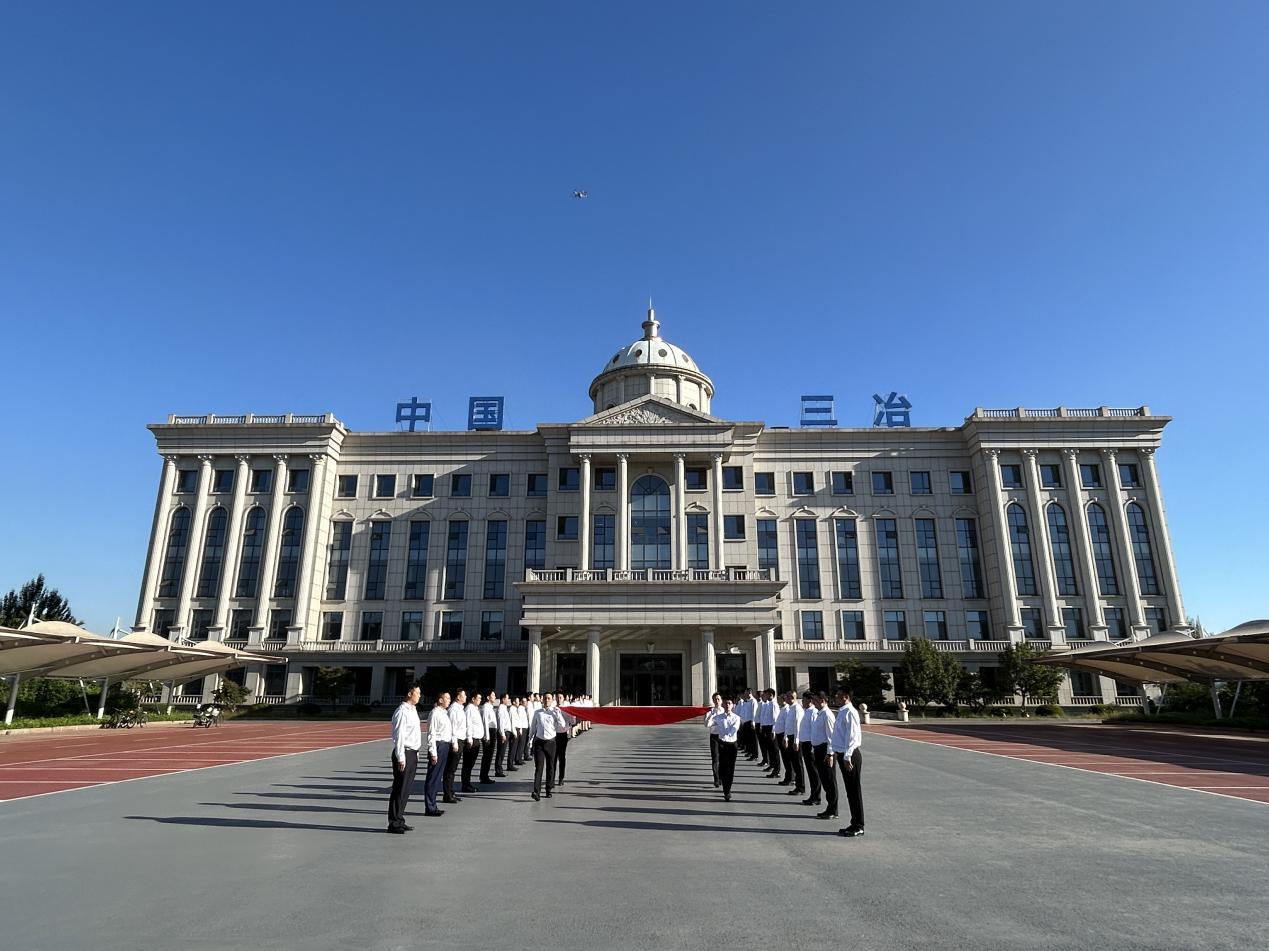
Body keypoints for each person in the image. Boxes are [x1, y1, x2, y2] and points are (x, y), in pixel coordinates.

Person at [828, 688, 865, 837]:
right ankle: (854, 822)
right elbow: (837, 735)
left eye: (838, 696)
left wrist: (847, 756)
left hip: (850, 755)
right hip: (843, 754)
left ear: (846, 697)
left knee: (854, 790)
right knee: (850, 791)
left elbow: (852, 736)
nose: (835, 698)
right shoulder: (842, 712)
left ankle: (859, 825)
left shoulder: (851, 712)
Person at [387, 683, 422, 833]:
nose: (419, 696)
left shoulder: (413, 711)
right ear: (409, 694)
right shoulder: (402, 711)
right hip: (404, 753)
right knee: (399, 789)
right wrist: (401, 756)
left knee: (406, 789)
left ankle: (399, 819)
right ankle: (394, 823)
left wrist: (416, 752)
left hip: (412, 752)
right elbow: (399, 736)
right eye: (417, 693)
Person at [530, 693, 567, 801]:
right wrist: (530, 741)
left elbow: (563, 725)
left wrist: (558, 714)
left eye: (549, 698)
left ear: (552, 700)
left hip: (551, 743)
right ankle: (536, 792)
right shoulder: (537, 712)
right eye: (545, 698)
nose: (547, 700)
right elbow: (533, 727)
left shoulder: (554, 712)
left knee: (550, 767)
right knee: (539, 768)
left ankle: (548, 789)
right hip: (539, 743)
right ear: (542, 700)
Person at [423, 692, 454, 817]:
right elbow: (431, 734)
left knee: (437, 777)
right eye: (447, 698)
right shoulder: (435, 713)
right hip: (438, 746)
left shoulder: (444, 713)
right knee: (433, 777)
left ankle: (433, 805)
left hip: (445, 745)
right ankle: (430, 807)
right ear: (440, 700)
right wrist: (433, 752)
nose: (449, 700)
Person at [808, 692, 838, 820]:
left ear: (822, 700)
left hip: (825, 751)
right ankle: (830, 808)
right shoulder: (819, 714)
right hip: (818, 749)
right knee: (825, 780)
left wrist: (830, 754)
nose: (813, 702)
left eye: (815, 700)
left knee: (829, 781)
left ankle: (833, 809)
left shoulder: (827, 715)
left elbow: (831, 736)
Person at [709, 698, 742, 801]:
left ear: (732, 705)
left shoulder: (736, 718)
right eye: (726, 703)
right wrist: (710, 713)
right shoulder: (718, 717)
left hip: (732, 744)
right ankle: (725, 789)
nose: (727, 705)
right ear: (723, 705)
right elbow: (708, 724)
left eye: (729, 703)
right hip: (722, 744)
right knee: (723, 767)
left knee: (730, 768)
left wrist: (726, 736)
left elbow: (734, 729)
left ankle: (728, 790)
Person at [444, 688, 469, 803]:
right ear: (458, 697)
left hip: (460, 740)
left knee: (453, 769)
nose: (466, 696)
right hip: (456, 741)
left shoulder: (460, 708)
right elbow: (453, 727)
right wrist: (454, 743)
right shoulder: (454, 709)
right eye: (464, 695)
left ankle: (451, 792)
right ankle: (447, 794)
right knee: (450, 769)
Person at [797, 692, 821, 806]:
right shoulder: (806, 711)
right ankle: (813, 795)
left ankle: (816, 796)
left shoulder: (813, 712)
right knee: (810, 771)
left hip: (810, 744)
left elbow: (814, 731)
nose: (802, 702)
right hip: (805, 744)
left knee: (813, 771)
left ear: (810, 701)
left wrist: (812, 747)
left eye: (804, 700)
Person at [782, 691, 806, 795]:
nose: (785, 699)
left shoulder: (797, 709)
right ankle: (797, 785)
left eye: (787, 697)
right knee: (794, 763)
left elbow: (797, 725)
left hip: (796, 738)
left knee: (798, 763)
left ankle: (801, 787)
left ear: (792, 697)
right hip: (790, 737)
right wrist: (786, 737)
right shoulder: (790, 708)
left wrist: (796, 740)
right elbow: (788, 725)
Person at [462, 692, 484, 792]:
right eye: (478, 698)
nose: (480, 700)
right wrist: (469, 738)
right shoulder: (469, 709)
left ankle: (468, 783)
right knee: (468, 763)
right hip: (472, 739)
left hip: (476, 739)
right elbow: (468, 724)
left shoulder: (475, 709)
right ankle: (465, 784)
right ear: (473, 699)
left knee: (471, 763)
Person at [555, 692, 576, 785]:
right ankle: (551, 778)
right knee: (553, 757)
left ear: (563, 699)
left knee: (561, 757)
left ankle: (561, 777)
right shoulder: (553, 709)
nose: (558, 699)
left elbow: (573, 721)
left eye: (560, 697)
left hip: (563, 735)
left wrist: (571, 715)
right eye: (557, 697)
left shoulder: (567, 709)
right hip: (553, 735)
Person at [479, 693, 500, 784]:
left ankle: (485, 775)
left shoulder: (490, 707)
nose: (495, 697)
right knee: (487, 755)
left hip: (492, 731)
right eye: (493, 695)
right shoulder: (485, 707)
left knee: (490, 755)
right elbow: (485, 723)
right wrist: (487, 737)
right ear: (488, 697)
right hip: (489, 732)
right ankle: (483, 776)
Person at [704, 692, 723, 788]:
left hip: (723, 737)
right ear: (713, 701)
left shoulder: (725, 711)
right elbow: (707, 724)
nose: (717, 701)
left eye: (718, 699)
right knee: (715, 758)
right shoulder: (710, 712)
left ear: (721, 700)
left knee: (723, 759)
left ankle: (721, 778)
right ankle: (716, 779)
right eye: (715, 699)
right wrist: (712, 716)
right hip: (714, 737)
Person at [758, 688, 778, 775]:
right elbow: (763, 717)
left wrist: (773, 730)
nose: (764, 696)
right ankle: (771, 765)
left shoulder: (774, 704)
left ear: (771, 695)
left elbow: (775, 719)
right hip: (765, 727)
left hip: (771, 728)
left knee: (774, 749)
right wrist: (762, 726)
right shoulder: (767, 704)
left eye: (766, 694)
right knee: (769, 748)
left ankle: (776, 769)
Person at [736, 688, 758, 761]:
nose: (745, 694)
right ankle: (749, 751)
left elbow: (754, 712)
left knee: (753, 739)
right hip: (745, 722)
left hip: (750, 722)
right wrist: (742, 721)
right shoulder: (746, 701)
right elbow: (743, 712)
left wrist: (753, 722)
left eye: (746, 693)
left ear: (749, 692)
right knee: (748, 738)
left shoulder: (753, 701)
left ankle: (755, 754)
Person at [496, 694, 515, 773]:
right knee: (501, 752)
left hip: (506, 732)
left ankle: (499, 769)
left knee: (502, 752)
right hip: (503, 732)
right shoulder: (501, 709)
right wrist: (502, 734)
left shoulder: (504, 708)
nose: (508, 700)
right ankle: (498, 770)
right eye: (507, 698)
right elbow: (500, 723)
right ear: (503, 699)